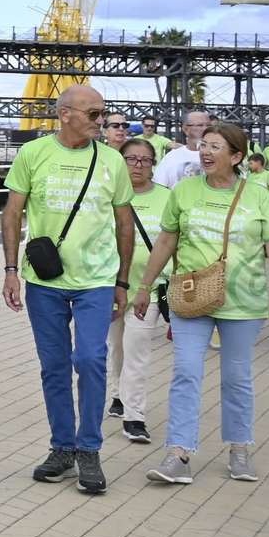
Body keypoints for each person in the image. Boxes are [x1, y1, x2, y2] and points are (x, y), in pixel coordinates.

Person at [1, 85, 135, 492]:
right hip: (45, 281)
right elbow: (12, 212)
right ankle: (62, 447)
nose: (101, 121)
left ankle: (89, 450)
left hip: (96, 280)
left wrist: (122, 281)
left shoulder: (111, 160)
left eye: (103, 113)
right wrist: (10, 269)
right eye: (92, 114)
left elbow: (124, 223)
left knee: (91, 359)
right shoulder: (34, 154)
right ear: (64, 114)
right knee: (54, 366)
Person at [137, 122, 269, 485]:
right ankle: (178, 454)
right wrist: (145, 286)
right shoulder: (185, 190)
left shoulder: (260, 196)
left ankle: (239, 448)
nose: (206, 152)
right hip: (191, 296)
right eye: (203, 144)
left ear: (237, 156)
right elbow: (165, 242)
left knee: (238, 377)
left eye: (215, 147)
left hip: (245, 302)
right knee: (185, 372)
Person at [104, 139, 169, 444]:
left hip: (149, 288)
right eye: (131, 159)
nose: (138, 166)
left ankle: (135, 417)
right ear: (120, 162)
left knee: (138, 349)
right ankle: (117, 394)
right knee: (115, 347)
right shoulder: (107, 196)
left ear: (153, 165)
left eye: (145, 160)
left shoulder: (168, 198)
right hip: (110, 283)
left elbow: (174, 242)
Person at [154, 111, 210, 189]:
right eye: (199, 125)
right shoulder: (172, 157)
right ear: (186, 129)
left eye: (209, 125)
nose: (205, 129)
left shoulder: (219, 155)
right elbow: (159, 188)